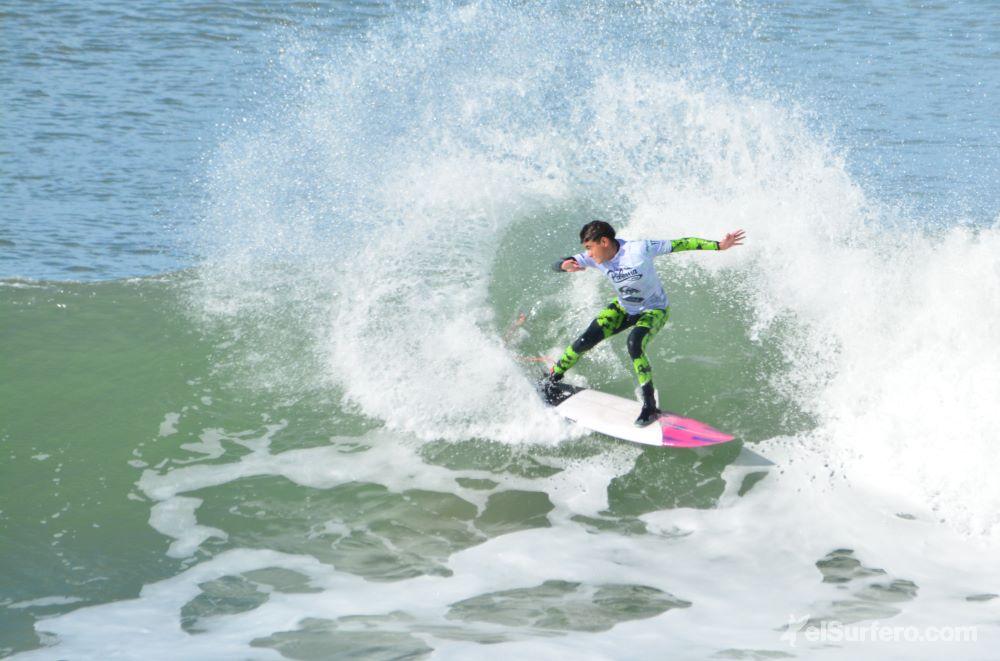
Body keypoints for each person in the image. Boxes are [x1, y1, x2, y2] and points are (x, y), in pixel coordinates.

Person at [545, 220, 745, 426]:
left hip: (654, 310)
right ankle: (552, 379)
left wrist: (719, 246)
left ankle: (650, 405)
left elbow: (682, 243)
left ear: (604, 241)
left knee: (634, 344)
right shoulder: (595, 259)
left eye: (589, 247)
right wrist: (563, 265)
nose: (587, 254)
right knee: (584, 341)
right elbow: (558, 263)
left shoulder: (640, 249)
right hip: (624, 308)